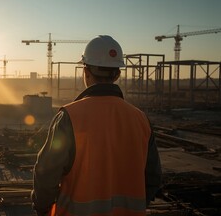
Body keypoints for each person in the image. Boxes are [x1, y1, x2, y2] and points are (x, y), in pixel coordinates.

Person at [31, 35, 162, 216]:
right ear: (117, 74)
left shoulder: (70, 117)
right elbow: (153, 177)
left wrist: (41, 208)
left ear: (85, 71)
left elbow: (46, 173)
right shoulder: (140, 119)